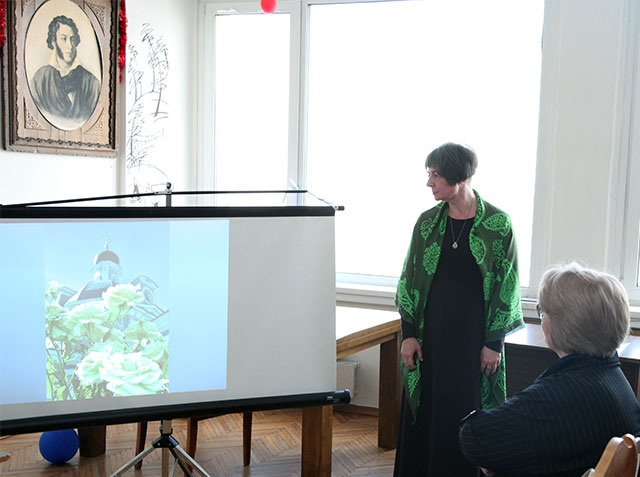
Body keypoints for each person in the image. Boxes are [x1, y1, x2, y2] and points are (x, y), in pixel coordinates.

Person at [393, 142, 524, 476]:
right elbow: (409, 279)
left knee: (465, 412)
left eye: (435, 175)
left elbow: (507, 287)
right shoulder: (426, 223)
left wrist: (494, 344)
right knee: (425, 410)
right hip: (429, 339)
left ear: (457, 176)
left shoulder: (498, 224)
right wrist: (408, 335)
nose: (429, 182)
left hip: (472, 344)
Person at [459, 262, 640, 477]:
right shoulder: (613, 376)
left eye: (542, 312)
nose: (542, 318)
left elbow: (474, 436)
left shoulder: (562, 395)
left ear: (564, 324)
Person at [29, 15, 100, 129]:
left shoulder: (91, 83)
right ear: (53, 42)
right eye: (64, 39)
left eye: (72, 39)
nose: (70, 46)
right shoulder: (40, 80)